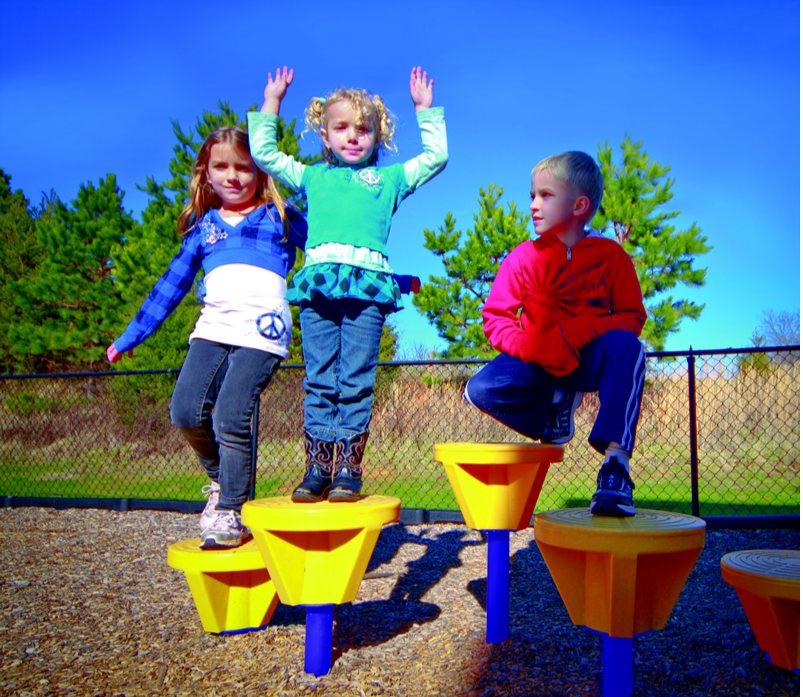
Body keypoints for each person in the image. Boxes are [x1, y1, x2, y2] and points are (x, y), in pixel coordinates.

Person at [248, 66, 447, 503]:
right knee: (320, 377)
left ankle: (347, 469)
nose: (353, 136)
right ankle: (317, 465)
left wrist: (424, 111)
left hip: (368, 292)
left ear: (378, 135)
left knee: (355, 378)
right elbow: (263, 152)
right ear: (325, 135)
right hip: (320, 286)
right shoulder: (311, 176)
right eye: (341, 128)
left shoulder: (389, 180)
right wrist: (272, 102)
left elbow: (435, 158)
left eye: (364, 128)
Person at [107, 126, 307, 547]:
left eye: (244, 167)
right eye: (222, 166)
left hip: (262, 330)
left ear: (261, 173)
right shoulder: (204, 228)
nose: (233, 176)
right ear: (207, 173)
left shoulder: (281, 217)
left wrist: (386, 280)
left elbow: (334, 243)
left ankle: (231, 511)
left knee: (231, 414)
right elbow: (171, 285)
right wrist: (130, 336)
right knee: (184, 411)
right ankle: (221, 478)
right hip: (213, 327)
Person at [464, 151, 647, 517]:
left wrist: (577, 331)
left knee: (630, 347)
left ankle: (616, 467)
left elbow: (631, 316)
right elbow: (496, 318)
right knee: (477, 389)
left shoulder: (611, 257)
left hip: (587, 359)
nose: (533, 205)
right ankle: (558, 400)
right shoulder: (521, 257)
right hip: (539, 361)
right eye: (532, 195)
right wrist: (535, 347)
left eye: (545, 196)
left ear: (579, 205)